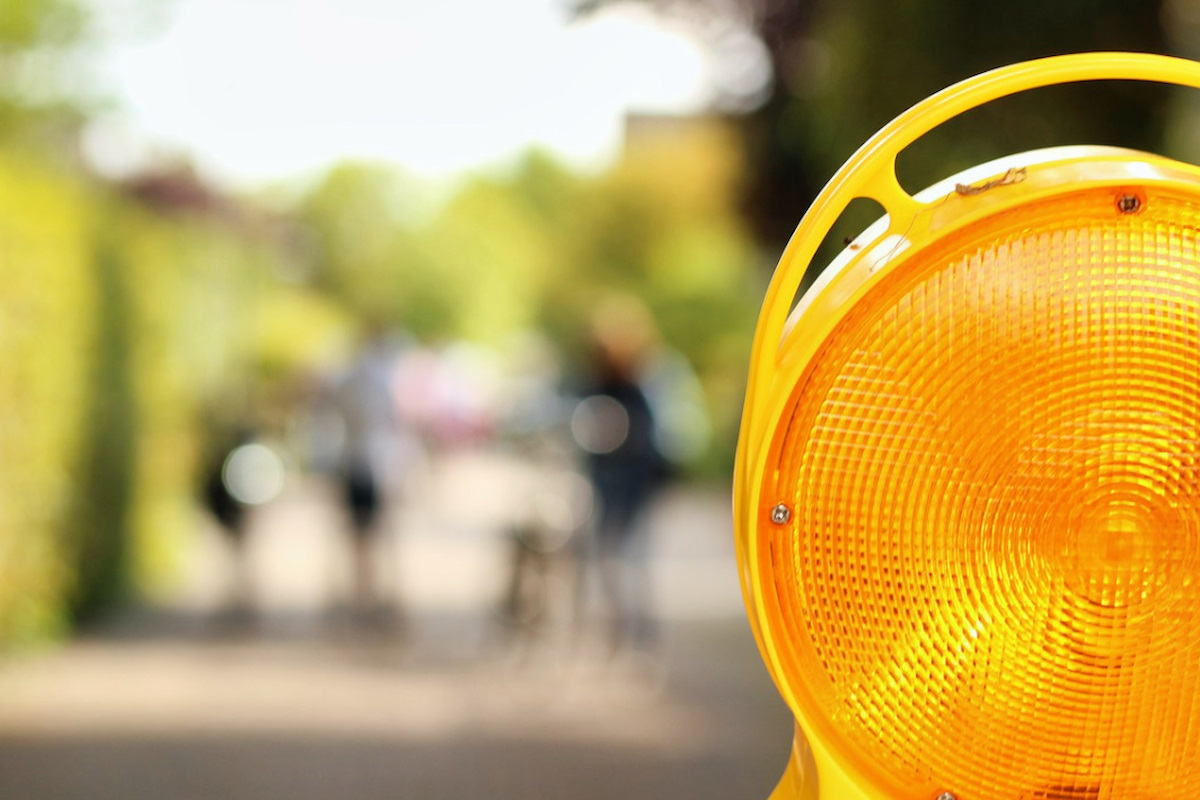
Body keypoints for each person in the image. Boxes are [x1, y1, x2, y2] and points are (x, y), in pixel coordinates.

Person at [572, 298, 669, 656]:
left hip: (630, 486)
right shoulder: (597, 386)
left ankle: (636, 635)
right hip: (609, 483)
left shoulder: (636, 389)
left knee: (629, 562)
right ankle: (620, 632)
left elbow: (646, 440)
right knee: (611, 561)